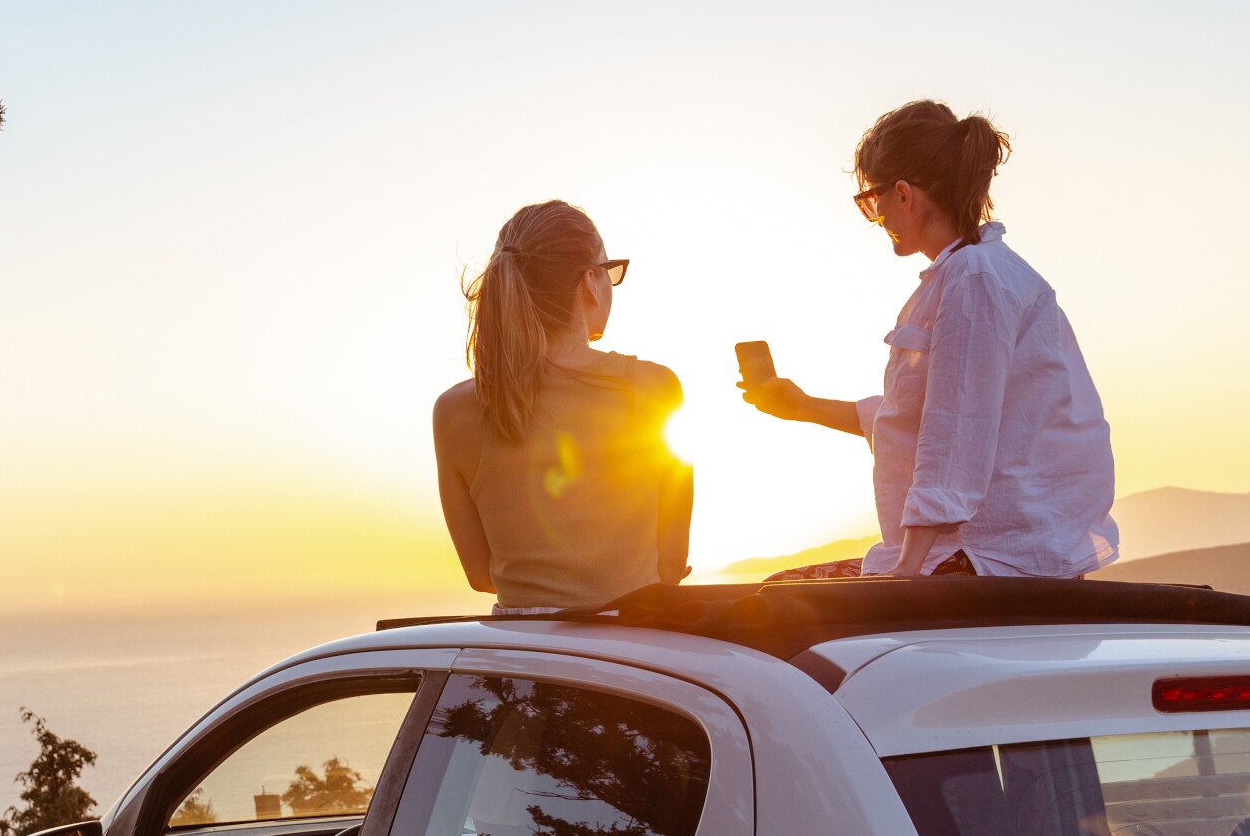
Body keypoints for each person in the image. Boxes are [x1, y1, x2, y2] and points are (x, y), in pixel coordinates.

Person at [741, 101, 1117, 579]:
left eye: (871, 201)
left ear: (903, 194)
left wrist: (907, 573)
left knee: (780, 597)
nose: (875, 216)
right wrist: (803, 406)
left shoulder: (973, 278)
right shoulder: (978, 271)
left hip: (987, 560)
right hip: (996, 553)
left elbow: (956, 430)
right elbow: (922, 418)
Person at [433, 200, 692, 612]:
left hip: (523, 661)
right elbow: (673, 562)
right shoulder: (653, 387)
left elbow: (482, 575)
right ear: (590, 281)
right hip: (634, 656)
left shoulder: (453, 410)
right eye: (610, 271)